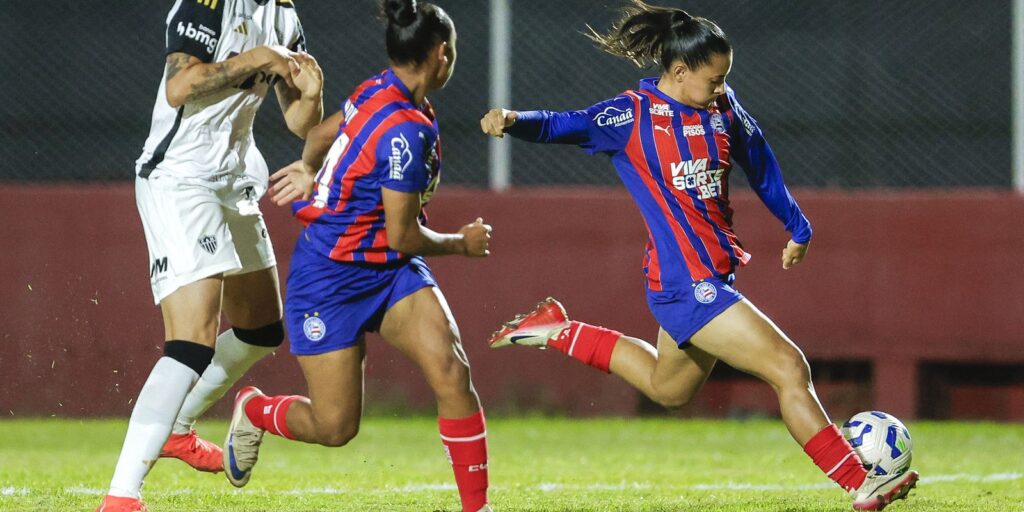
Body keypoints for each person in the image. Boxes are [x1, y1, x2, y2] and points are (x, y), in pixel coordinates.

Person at [479, 2, 917, 510]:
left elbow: (760, 161)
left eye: (725, 78)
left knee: (668, 389)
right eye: (713, 80)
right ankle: (861, 484)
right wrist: (513, 119)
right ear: (680, 71)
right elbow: (563, 124)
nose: (721, 88)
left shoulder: (722, 108)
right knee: (789, 368)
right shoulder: (632, 115)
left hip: (710, 277)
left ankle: (557, 329)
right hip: (686, 282)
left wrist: (797, 224)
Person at [222, 2, 493, 511]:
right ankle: (257, 411)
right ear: (442, 54)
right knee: (335, 427)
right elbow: (403, 236)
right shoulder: (407, 130)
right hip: (331, 279)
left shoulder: (380, 88)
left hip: (389, 275)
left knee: (452, 374)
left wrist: (309, 169)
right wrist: (462, 242)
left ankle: (479, 508)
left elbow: (325, 133)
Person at [97, 0, 324, 510]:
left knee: (263, 328)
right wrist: (259, 57)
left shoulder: (285, 14)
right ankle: (121, 497)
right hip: (180, 179)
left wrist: (312, 95)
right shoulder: (209, 3)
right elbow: (180, 85)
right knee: (191, 342)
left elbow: (299, 122)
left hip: (236, 178)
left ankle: (177, 428)